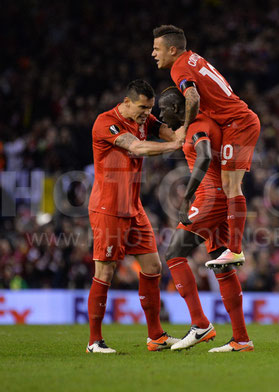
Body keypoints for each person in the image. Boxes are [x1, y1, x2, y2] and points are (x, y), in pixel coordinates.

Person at [86, 79, 183, 353]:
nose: (146, 114)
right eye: (142, 108)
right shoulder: (106, 123)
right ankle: (94, 342)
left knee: (153, 267)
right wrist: (174, 147)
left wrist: (189, 128)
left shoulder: (143, 119)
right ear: (127, 102)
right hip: (108, 207)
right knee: (105, 271)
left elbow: (168, 132)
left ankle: (156, 336)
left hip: (133, 206)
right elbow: (137, 147)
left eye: (150, 108)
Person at [152, 25, 261, 268]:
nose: (153, 53)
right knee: (230, 186)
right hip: (238, 121)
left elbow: (192, 98)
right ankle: (231, 251)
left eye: (156, 48)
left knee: (231, 186)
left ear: (172, 49)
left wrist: (185, 129)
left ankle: (235, 249)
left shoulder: (179, 67)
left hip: (238, 123)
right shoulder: (193, 58)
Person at [158, 87, 253, 352]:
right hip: (220, 198)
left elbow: (205, 156)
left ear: (177, 108)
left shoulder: (197, 125)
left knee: (174, 253)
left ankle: (200, 324)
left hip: (209, 198)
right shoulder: (202, 123)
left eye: (163, 109)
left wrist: (187, 197)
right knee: (222, 266)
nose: (161, 115)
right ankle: (241, 339)